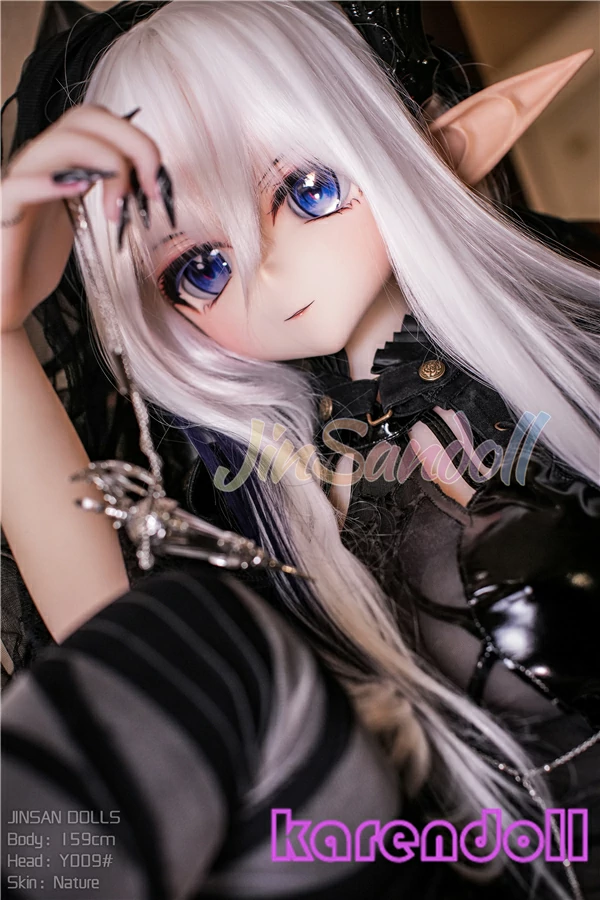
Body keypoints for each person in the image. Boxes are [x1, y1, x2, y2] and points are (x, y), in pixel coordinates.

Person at [1, 2, 599, 897]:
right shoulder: (259, 497)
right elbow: (120, 654)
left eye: (308, 191)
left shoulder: (566, 355)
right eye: (200, 267)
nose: (268, 272)